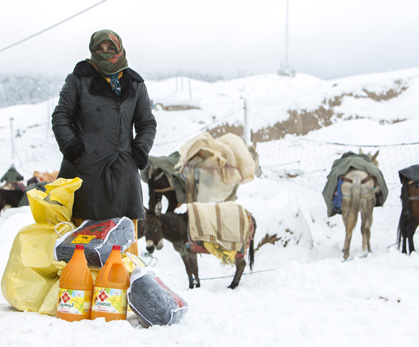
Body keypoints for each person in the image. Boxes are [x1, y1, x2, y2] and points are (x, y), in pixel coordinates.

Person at [52, 29, 157, 255]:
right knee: (82, 247)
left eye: (110, 48)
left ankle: (123, 287)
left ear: (119, 49)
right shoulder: (78, 80)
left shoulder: (135, 83)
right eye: (99, 49)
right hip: (85, 173)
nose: (105, 52)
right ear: (92, 50)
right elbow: (61, 116)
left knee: (124, 245)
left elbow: (147, 122)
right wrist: (74, 150)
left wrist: (140, 149)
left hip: (124, 174)